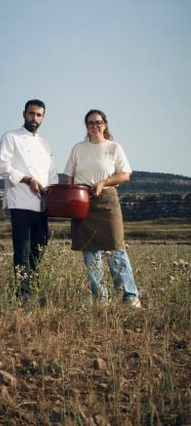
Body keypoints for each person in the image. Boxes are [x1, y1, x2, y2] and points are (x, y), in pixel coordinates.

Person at [64, 109, 141, 308]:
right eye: (90, 123)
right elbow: (69, 176)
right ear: (86, 126)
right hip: (82, 201)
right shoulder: (78, 148)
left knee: (117, 248)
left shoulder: (114, 147)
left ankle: (130, 297)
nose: (95, 126)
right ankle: (100, 298)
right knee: (90, 252)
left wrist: (104, 182)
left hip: (107, 200)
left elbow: (125, 175)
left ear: (105, 124)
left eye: (98, 122)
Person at [0, 99, 58, 303]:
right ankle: (22, 296)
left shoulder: (45, 143)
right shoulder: (10, 137)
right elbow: (2, 167)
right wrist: (28, 179)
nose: (35, 118)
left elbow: (52, 174)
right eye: (31, 114)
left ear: (43, 117)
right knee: (22, 250)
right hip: (20, 202)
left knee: (38, 249)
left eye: (39, 115)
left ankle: (31, 289)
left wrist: (52, 191)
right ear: (24, 114)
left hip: (42, 205)